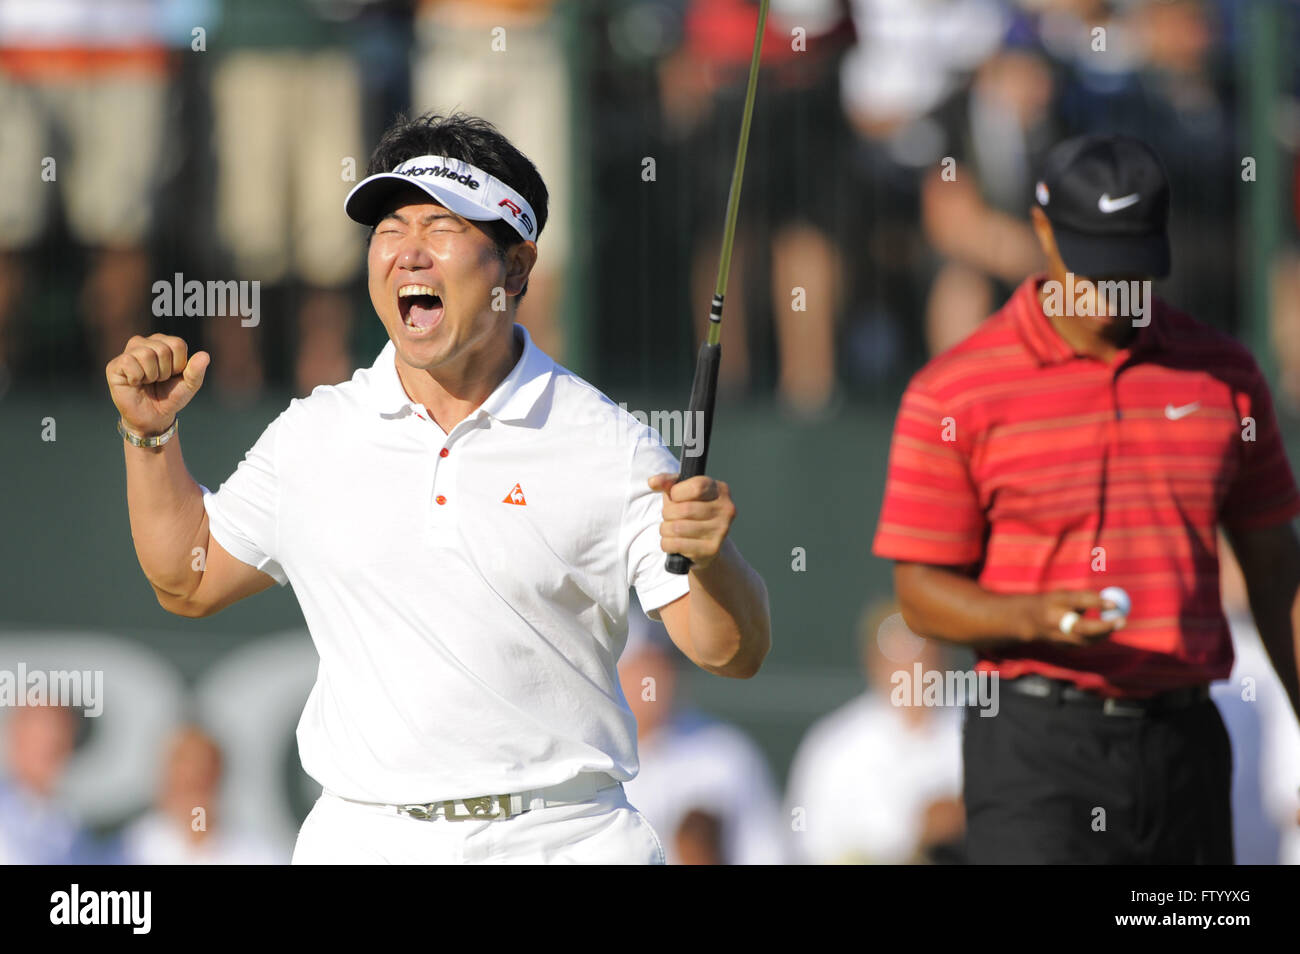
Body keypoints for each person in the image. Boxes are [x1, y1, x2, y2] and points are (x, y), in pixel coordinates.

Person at [104, 112, 771, 865]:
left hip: (563, 839)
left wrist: (712, 559)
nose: (407, 253)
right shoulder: (316, 432)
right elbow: (187, 579)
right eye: (389, 228)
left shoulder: (611, 446)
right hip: (362, 839)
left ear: (516, 268)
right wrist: (150, 438)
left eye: (442, 226)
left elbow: (728, 651)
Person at [873, 133, 1300, 864]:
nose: (1115, 291)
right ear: (1043, 232)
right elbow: (919, 592)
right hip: (1036, 751)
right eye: (1096, 268)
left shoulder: (1224, 375)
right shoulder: (955, 391)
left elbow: (1275, 571)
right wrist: (1030, 615)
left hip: (1186, 746)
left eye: (1134, 268)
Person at [785, 603, 964, 864]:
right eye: (898, 655)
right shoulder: (834, 745)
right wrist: (915, 839)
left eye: (922, 654)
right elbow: (812, 849)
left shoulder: (982, 728)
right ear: (874, 661)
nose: (915, 669)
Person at [618, 610, 786, 865]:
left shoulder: (726, 754)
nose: (656, 677)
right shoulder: (587, 759)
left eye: (665, 663)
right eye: (643, 664)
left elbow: (767, 853)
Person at [121, 725, 282, 865]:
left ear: (218, 780)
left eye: (202, 779)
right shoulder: (129, 850)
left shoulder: (259, 855)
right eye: (184, 781)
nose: (193, 795)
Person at [0, 705, 113, 864]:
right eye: (36, 738)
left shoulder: (72, 826)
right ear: (15, 737)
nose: (46, 747)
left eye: (57, 740)